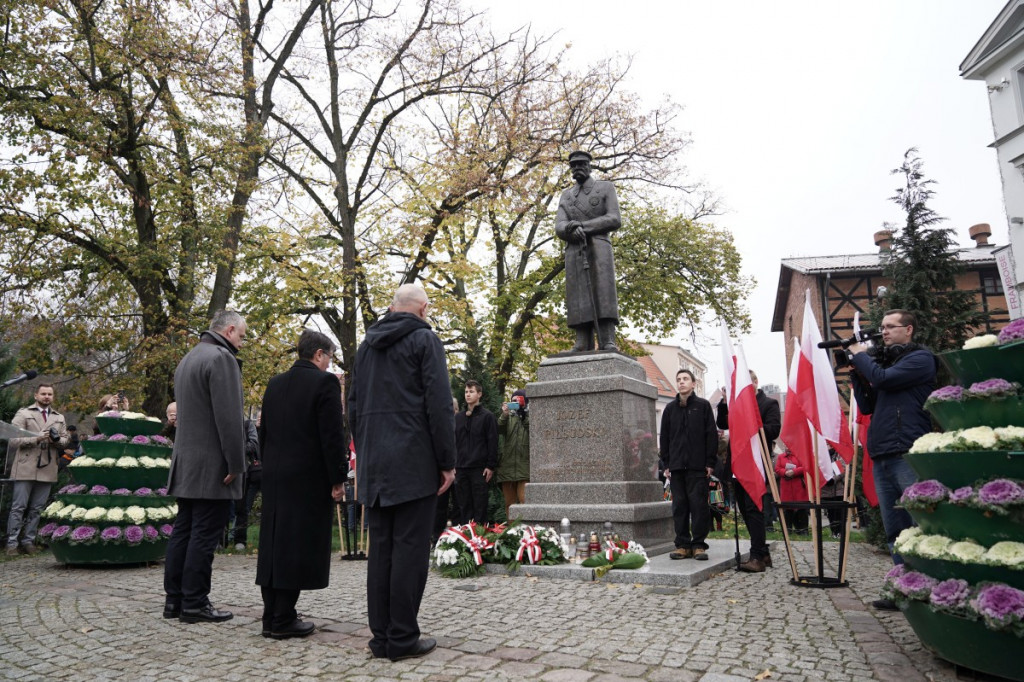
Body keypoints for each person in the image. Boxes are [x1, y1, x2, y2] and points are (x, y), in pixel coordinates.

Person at [349, 283, 456, 662]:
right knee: (409, 550)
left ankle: (381, 637)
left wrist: (366, 453)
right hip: (413, 461)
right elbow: (439, 405)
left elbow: (353, 406)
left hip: (375, 464)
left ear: (392, 307)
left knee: (381, 551)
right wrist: (447, 461)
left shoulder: (366, 347)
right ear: (423, 309)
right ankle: (403, 637)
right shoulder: (425, 341)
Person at [255, 330, 346, 639]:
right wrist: (338, 477)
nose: (329, 364)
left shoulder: (275, 383)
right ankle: (283, 618)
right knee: (295, 545)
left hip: (275, 475)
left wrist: (269, 465)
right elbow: (332, 436)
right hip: (307, 478)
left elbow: (264, 432)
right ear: (318, 354)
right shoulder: (325, 383)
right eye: (329, 357)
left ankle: (272, 615)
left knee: (273, 544)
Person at [849, 308, 937, 611]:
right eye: (882, 327)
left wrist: (862, 356)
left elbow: (883, 379)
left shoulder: (920, 359)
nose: (884, 331)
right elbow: (868, 405)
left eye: (890, 326)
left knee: (918, 524)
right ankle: (903, 589)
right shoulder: (889, 364)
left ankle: (927, 589)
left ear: (908, 329)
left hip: (906, 451)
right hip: (883, 452)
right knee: (895, 530)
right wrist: (856, 371)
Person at [163, 310, 247, 624]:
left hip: (186, 462)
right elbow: (229, 419)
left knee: (183, 530)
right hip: (212, 464)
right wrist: (236, 462)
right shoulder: (221, 359)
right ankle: (195, 603)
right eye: (242, 336)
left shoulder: (188, 359)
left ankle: (175, 600)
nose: (242, 342)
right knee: (203, 534)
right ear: (229, 330)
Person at [554, 150, 621, 352]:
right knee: (577, 294)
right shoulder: (566, 196)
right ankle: (582, 340)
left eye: (581, 164)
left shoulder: (605, 188)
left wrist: (583, 227)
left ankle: (607, 339)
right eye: (573, 165)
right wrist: (569, 229)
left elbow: (614, 218)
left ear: (589, 166)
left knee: (603, 291)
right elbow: (559, 225)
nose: (577, 168)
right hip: (575, 250)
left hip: (599, 248)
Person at [716, 370, 781, 572]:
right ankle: (763, 552)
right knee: (744, 509)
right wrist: (725, 401)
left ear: (755, 382)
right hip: (738, 463)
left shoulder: (768, 403)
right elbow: (722, 423)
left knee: (754, 509)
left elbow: (774, 430)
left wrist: (752, 424)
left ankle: (757, 557)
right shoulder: (735, 404)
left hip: (756, 462)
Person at [5, 384, 70, 555]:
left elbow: (65, 441)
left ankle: (29, 541)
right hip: (25, 465)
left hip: (47, 466)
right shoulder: (24, 413)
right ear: (36, 395)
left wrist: (56, 441)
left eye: (50, 394)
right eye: (43, 394)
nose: (46, 397)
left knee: (37, 508)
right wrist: (36, 438)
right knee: (18, 507)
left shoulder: (59, 417)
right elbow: (13, 439)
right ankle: (12, 543)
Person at [659, 369, 717, 561]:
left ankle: (698, 544)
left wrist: (710, 462)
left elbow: (711, 435)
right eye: (678, 379)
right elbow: (665, 437)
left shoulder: (703, 406)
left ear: (693, 384)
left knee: (699, 506)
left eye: (685, 379)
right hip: (676, 467)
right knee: (679, 507)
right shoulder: (670, 409)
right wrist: (666, 463)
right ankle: (683, 545)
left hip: (697, 466)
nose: (681, 382)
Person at [454, 380, 497, 524]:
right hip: (460, 468)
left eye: (471, 391)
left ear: (479, 394)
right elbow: (453, 442)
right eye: (466, 392)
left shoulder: (487, 417)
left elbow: (492, 442)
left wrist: (490, 466)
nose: (468, 394)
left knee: (480, 506)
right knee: (464, 506)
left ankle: (480, 535)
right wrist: (452, 464)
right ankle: (465, 534)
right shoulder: (458, 418)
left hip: (479, 469)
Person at [496, 389, 529, 521]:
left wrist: (524, 416)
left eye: (518, 400)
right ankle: (512, 529)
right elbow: (498, 428)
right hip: (507, 467)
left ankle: (527, 531)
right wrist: (504, 415)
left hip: (524, 468)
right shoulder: (508, 417)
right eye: (513, 401)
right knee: (509, 505)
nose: (515, 403)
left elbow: (533, 429)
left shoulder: (530, 416)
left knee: (524, 502)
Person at [231, 414, 260, 550]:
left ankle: (240, 540)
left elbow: (253, 444)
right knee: (221, 505)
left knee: (241, 507)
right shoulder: (222, 421)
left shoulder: (247, 424)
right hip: (222, 469)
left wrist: (234, 450)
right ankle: (220, 540)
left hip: (243, 471)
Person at [774, 449, 808, 534]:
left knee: (801, 508)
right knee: (787, 509)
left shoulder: (800, 455)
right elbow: (777, 468)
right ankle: (788, 530)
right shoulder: (780, 457)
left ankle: (803, 529)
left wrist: (794, 471)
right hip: (786, 486)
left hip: (798, 486)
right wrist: (785, 472)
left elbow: (805, 466)